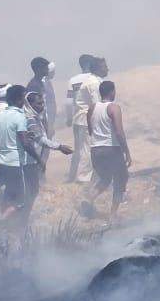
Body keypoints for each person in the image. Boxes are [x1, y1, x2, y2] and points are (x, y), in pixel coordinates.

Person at [0, 85, 49, 224]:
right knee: (21, 199)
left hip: (0, 161)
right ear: (19, 100)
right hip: (15, 163)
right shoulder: (20, 117)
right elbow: (25, 143)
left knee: (10, 193)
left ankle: (7, 220)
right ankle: (0, 222)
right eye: (24, 98)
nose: (25, 101)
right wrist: (39, 160)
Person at [81, 80, 131, 219]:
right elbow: (119, 132)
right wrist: (126, 151)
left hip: (96, 150)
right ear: (112, 92)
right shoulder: (114, 108)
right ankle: (113, 215)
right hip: (111, 149)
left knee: (106, 178)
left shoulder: (92, 108)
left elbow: (90, 129)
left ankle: (90, 198)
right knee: (121, 178)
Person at [23, 91, 73, 179]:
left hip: (31, 160)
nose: (42, 106)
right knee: (31, 188)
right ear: (29, 104)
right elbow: (40, 139)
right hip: (29, 161)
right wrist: (59, 147)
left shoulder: (35, 117)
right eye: (38, 103)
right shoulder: (30, 119)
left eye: (43, 103)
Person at [66, 55, 99, 183]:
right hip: (89, 118)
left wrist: (69, 118)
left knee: (78, 149)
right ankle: (83, 178)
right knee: (87, 149)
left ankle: (72, 176)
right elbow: (96, 102)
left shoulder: (73, 80)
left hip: (77, 118)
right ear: (91, 64)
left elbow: (68, 102)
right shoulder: (94, 80)